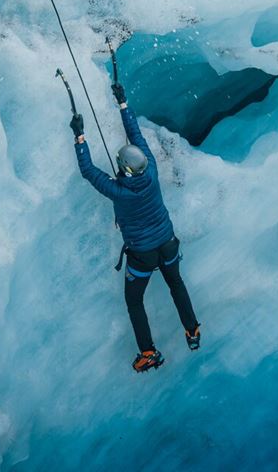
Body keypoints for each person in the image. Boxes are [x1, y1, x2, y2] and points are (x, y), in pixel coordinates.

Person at [71, 82, 200, 373]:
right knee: (176, 284)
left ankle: (148, 352)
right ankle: (192, 331)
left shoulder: (119, 192)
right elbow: (136, 135)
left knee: (134, 302)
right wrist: (123, 104)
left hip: (142, 255)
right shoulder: (151, 170)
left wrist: (80, 136)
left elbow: (89, 171)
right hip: (167, 243)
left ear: (125, 169)